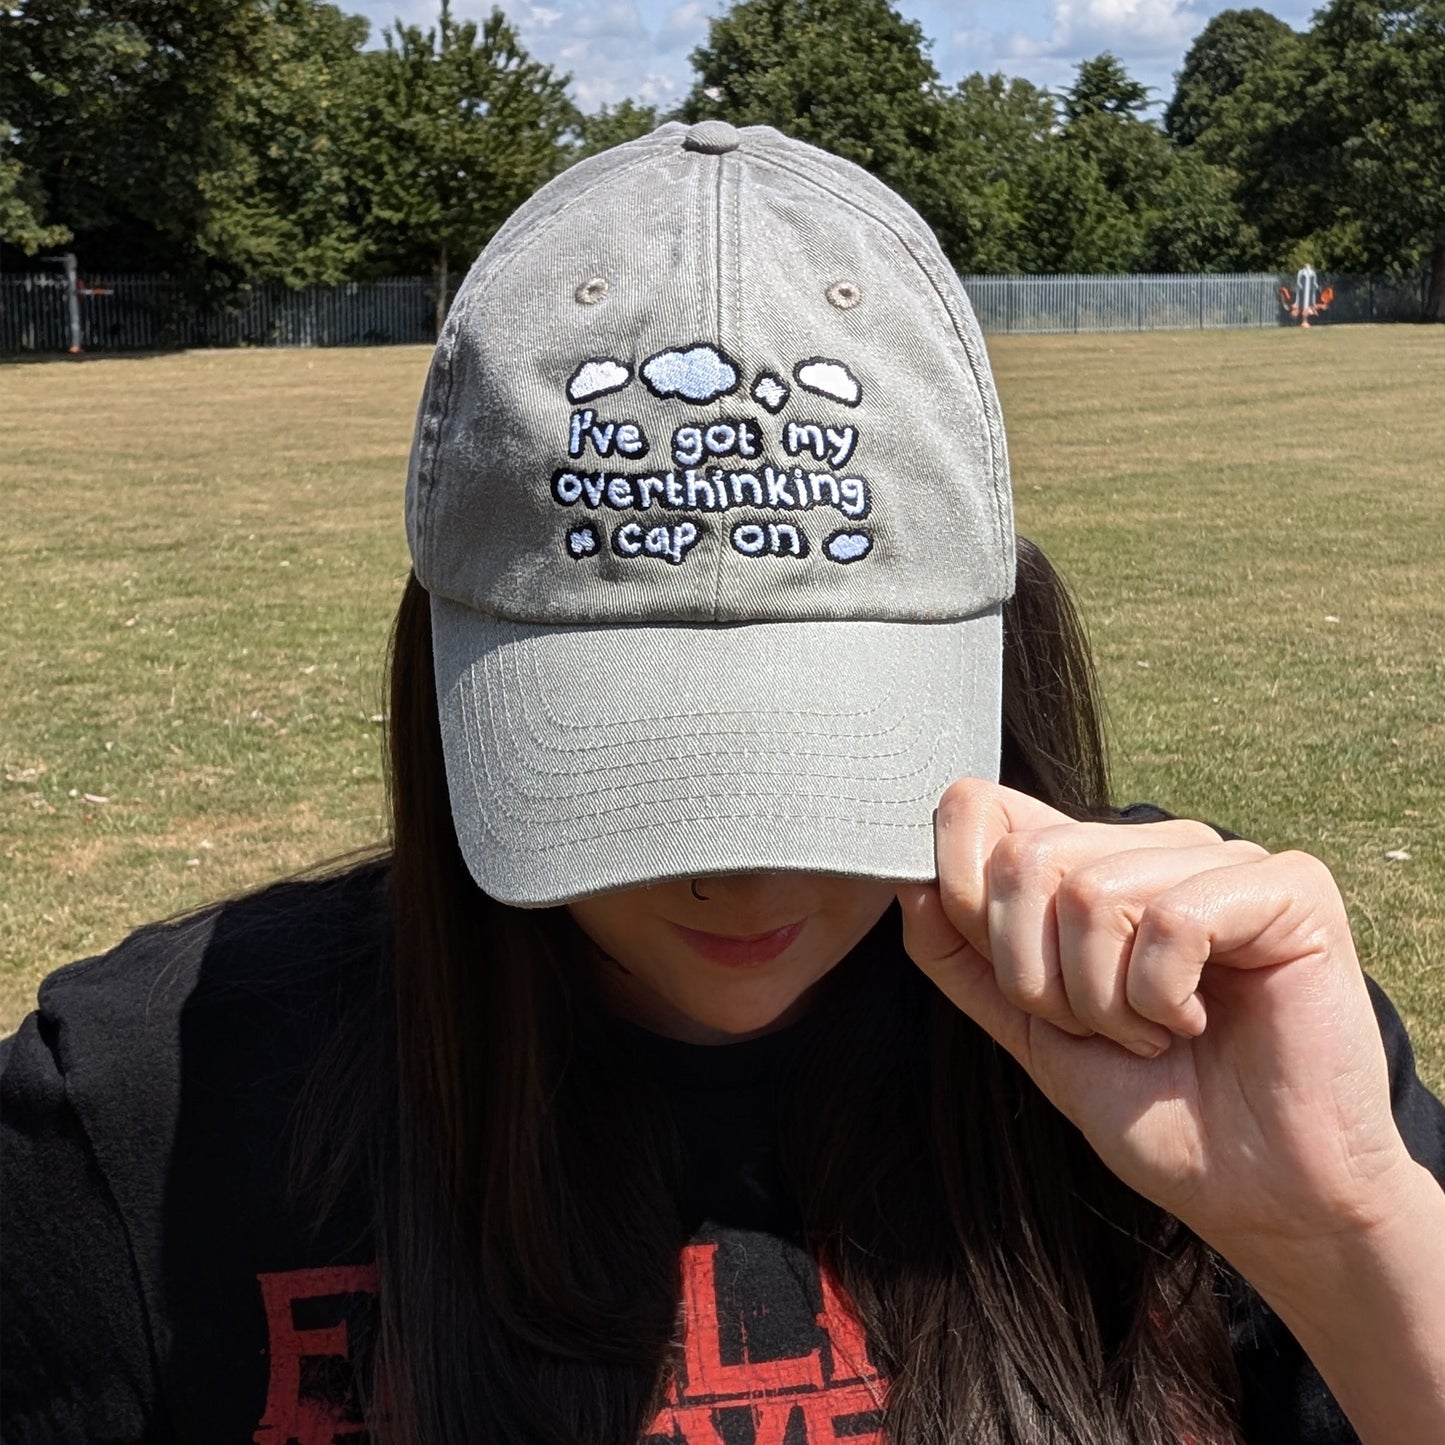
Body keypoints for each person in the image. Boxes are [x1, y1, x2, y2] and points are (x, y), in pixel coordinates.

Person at [2, 121, 1443, 1445]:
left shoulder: (1208, 1014)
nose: (739, 874)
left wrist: (1343, 1235)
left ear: (996, 643)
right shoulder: (138, 1122)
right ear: (444, 670)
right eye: (626, 761)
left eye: (828, 749)